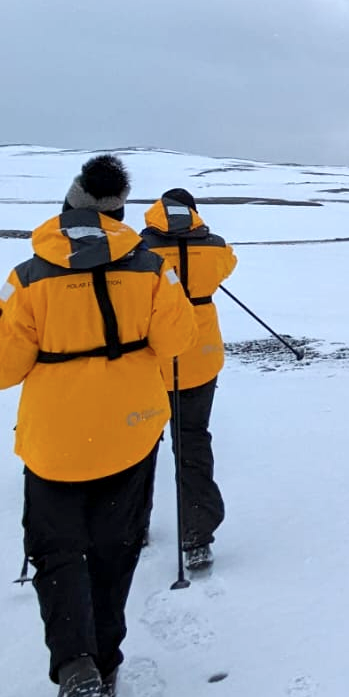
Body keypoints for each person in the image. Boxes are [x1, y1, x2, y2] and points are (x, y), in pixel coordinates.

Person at [0, 154, 197, 697]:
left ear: (67, 211)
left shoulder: (29, 277)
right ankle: (108, 665)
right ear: (119, 214)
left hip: (55, 444)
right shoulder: (150, 270)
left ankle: (74, 662)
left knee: (57, 552)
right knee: (116, 552)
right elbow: (177, 340)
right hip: (131, 431)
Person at [139, 188, 239, 570]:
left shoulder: (140, 252)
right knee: (193, 441)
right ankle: (197, 533)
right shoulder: (214, 247)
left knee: (141, 445)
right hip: (201, 358)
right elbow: (229, 263)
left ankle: (133, 525)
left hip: (151, 359)